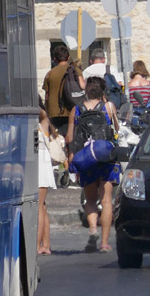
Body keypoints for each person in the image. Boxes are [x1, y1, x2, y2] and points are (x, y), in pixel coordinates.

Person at [67, 76, 121, 252]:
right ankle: (105, 243)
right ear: (102, 91)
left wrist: (71, 156)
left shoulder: (76, 110)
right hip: (105, 157)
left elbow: (69, 137)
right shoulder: (108, 107)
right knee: (106, 200)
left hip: (86, 157)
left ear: (86, 91)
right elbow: (117, 129)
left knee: (90, 199)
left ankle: (92, 229)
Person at [37, 103, 61, 255]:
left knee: (39, 207)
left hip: (40, 166)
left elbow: (43, 114)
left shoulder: (42, 122)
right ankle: (46, 244)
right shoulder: (41, 125)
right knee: (43, 207)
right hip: (41, 165)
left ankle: (37, 245)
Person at [41, 45, 82, 135]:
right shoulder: (75, 70)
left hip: (54, 112)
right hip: (73, 110)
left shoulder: (50, 74)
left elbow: (47, 96)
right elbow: (82, 88)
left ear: (55, 59)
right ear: (68, 57)